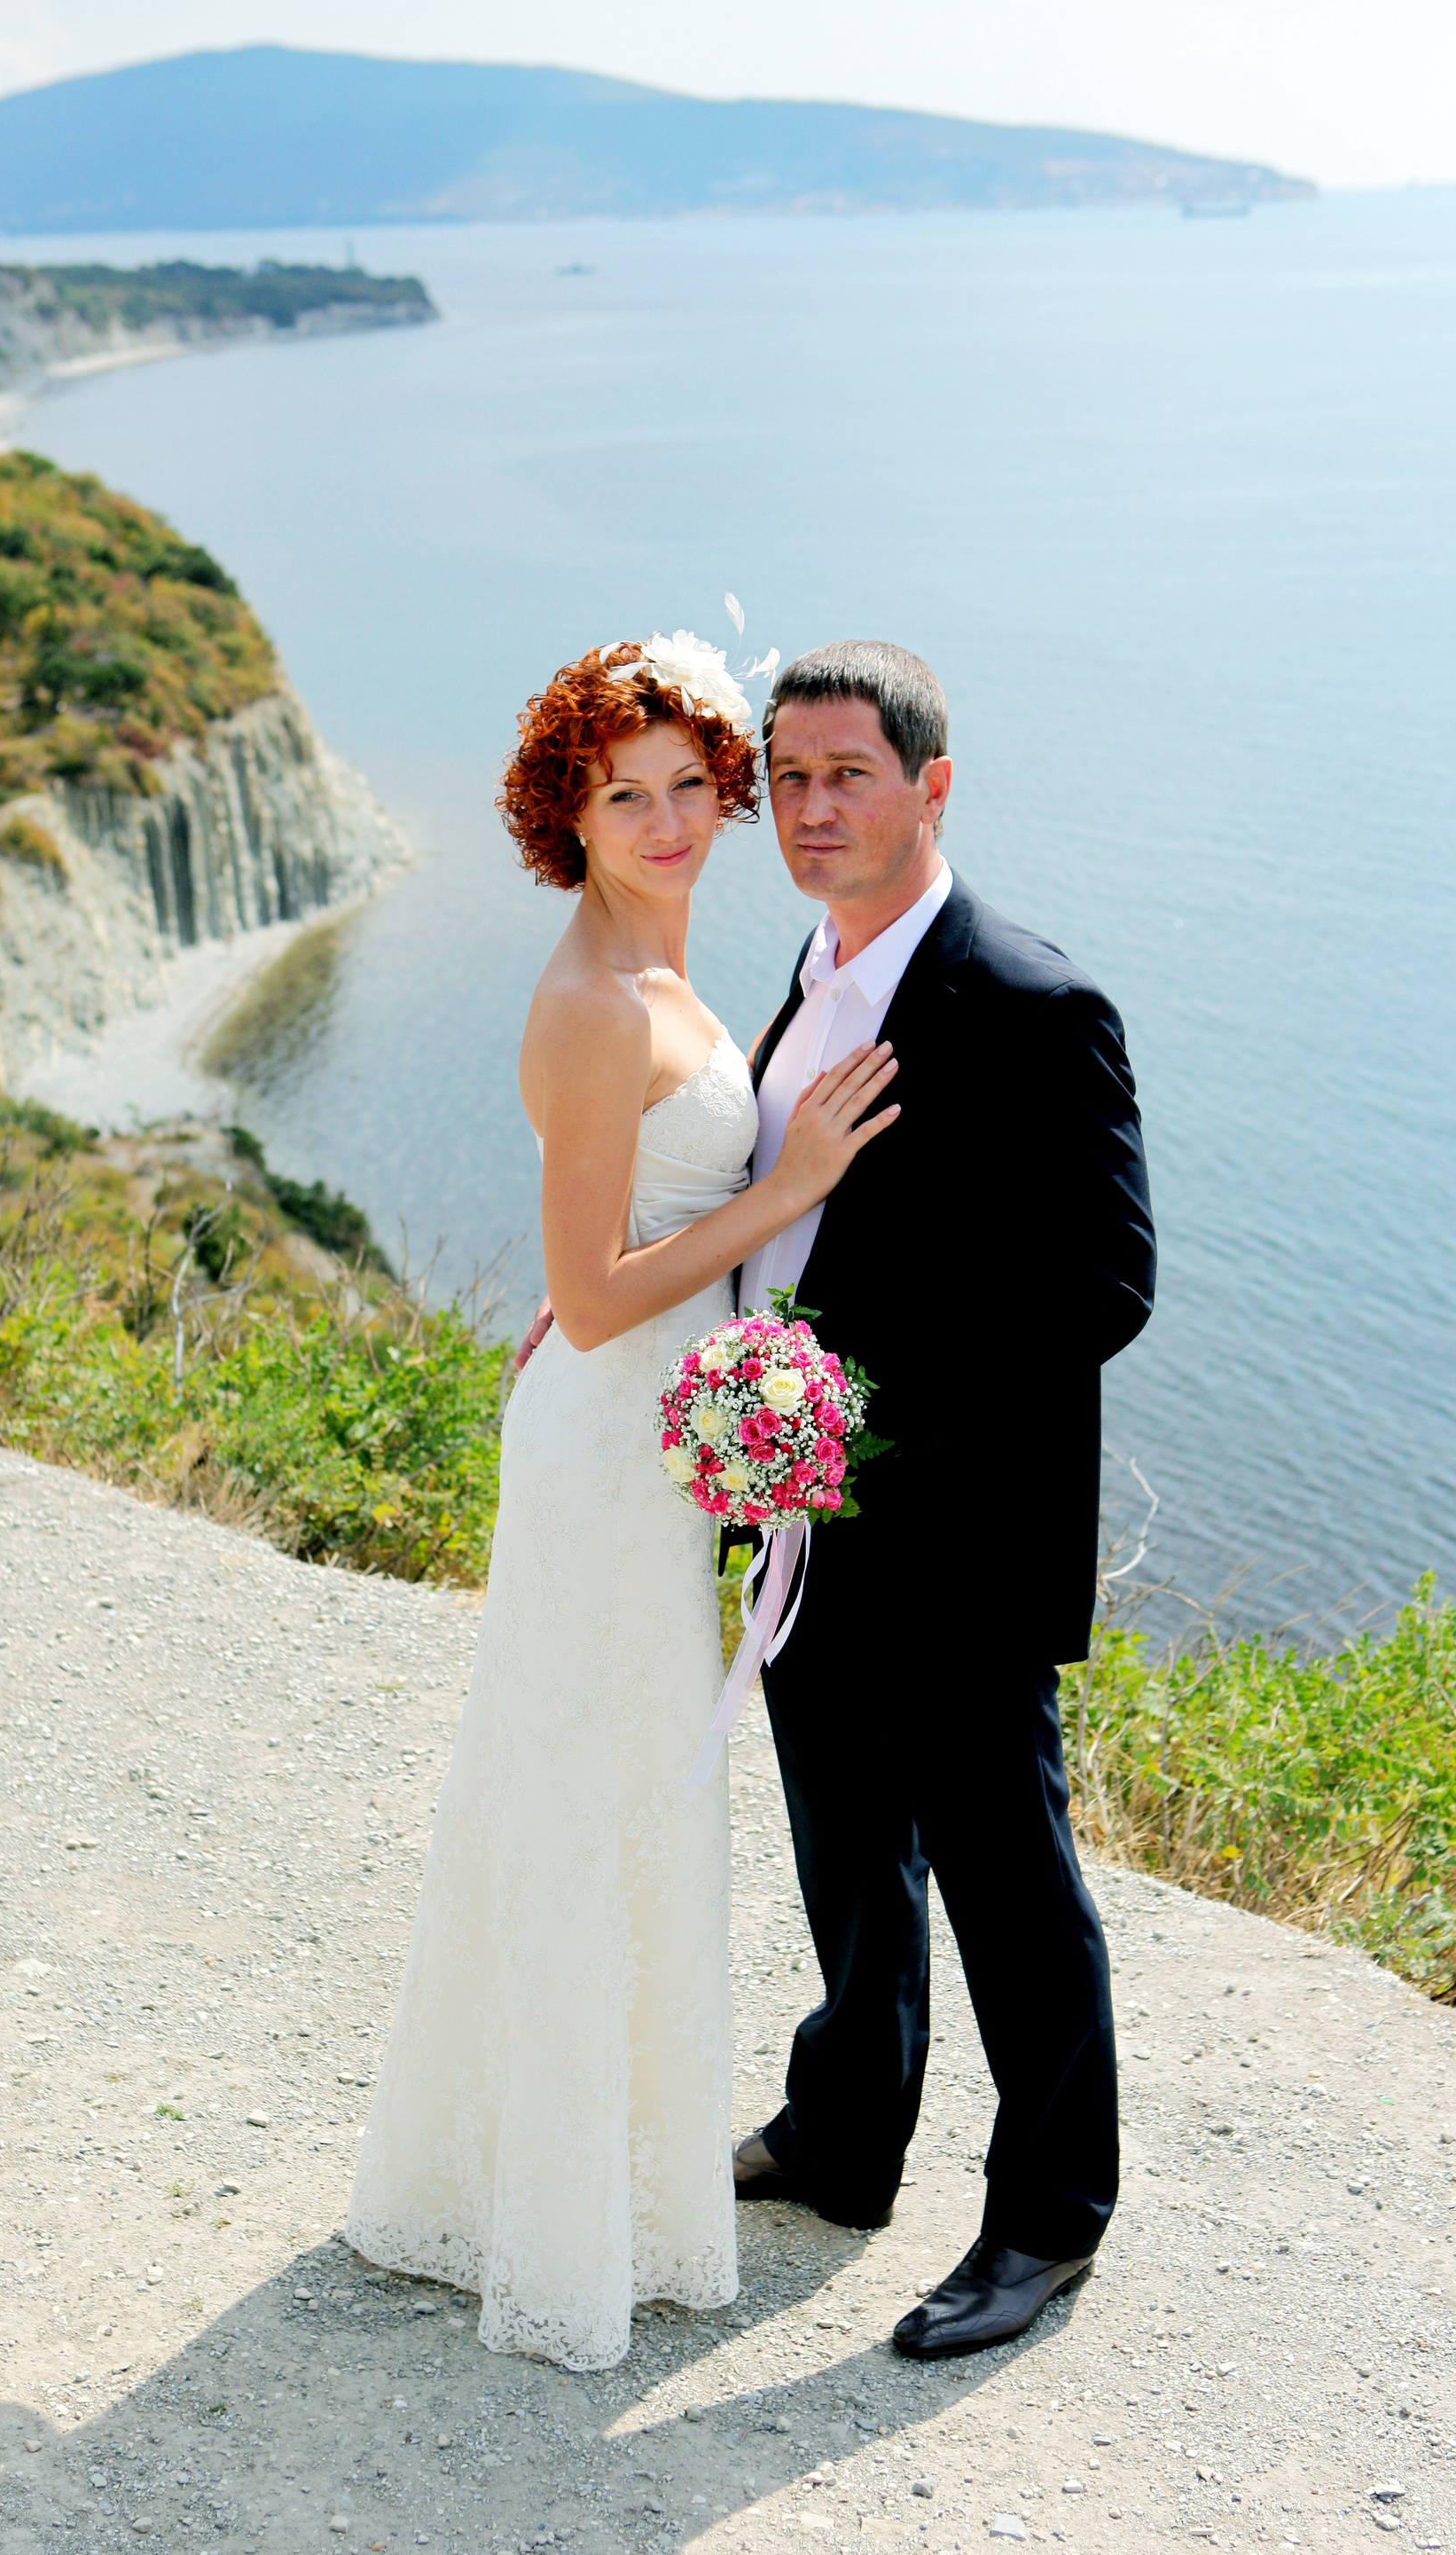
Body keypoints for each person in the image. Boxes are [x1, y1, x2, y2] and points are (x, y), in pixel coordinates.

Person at [346, 631, 898, 2371]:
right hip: (606, 1451)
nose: (666, 824)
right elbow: (593, 1301)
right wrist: (793, 1183)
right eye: (622, 797)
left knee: (630, 1788)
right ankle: (557, 2223)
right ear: (565, 818)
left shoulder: (657, 960)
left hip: (652, 1444)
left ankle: (591, 2185)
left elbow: (606, 1241)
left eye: (687, 788)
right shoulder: (594, 996)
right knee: (590, 1792)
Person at [729, 640, 1156, 2360]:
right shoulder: (814, 968)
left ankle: (1049, 2218)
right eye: (788, 777)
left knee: (1007, 1882)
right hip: (801, 1510)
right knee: (847, 1848)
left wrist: (857, 1395)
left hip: (960, 1539)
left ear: (932, 785)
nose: (811, 806)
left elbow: (1106, 1283)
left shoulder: (1035, 1003)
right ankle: (847, 2136)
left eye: (848, 773)